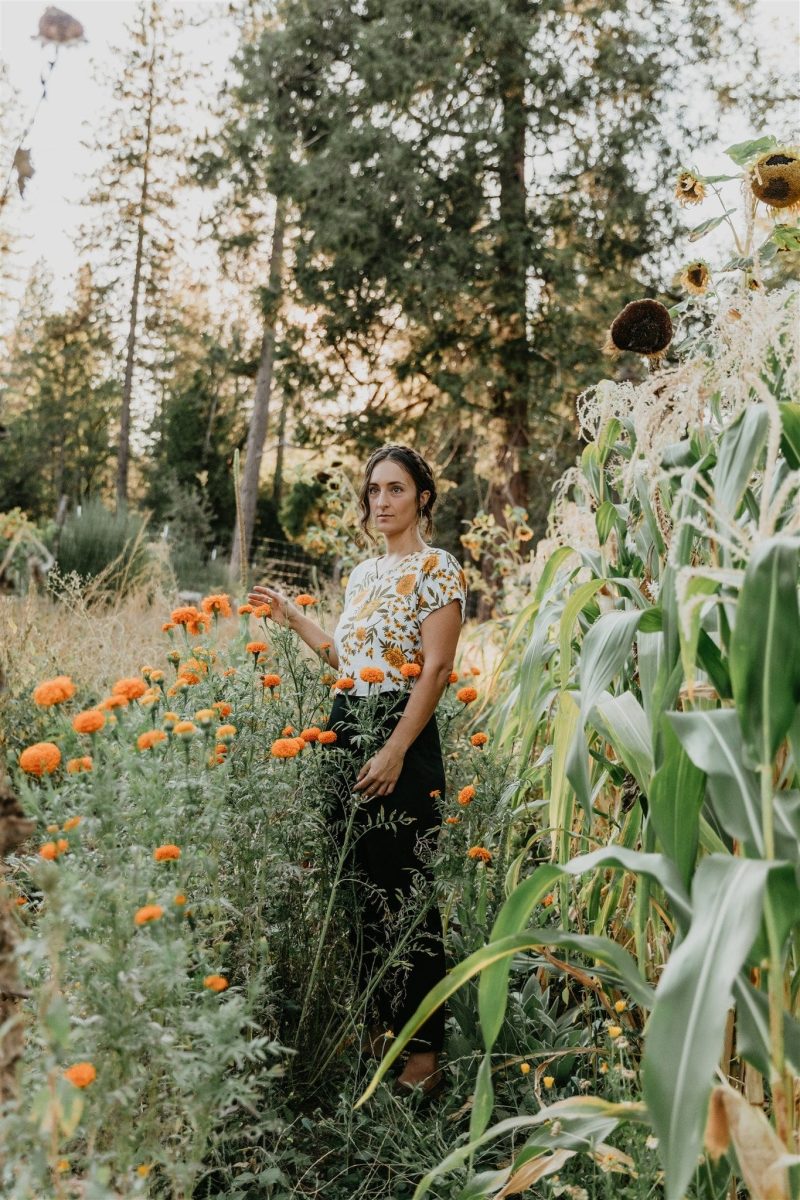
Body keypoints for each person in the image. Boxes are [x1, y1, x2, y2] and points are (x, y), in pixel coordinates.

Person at [248, 444, 466, 1097]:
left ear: (422, 497)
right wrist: (292, 618)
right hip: (346, 726)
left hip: (403, 732)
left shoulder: (437, 567)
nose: (380, 501)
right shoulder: (366, 574)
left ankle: (423, 1056)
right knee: (360, 895)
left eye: (395, 489)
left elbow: (436, 669)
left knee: (407, 897)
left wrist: (397, 748)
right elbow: (348, 658)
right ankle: (380, 1030)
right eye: (373, 490)